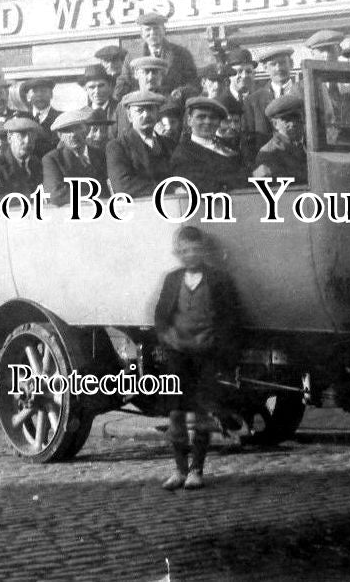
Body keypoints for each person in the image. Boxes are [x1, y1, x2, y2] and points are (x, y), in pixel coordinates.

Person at [153, 225, 239, 491]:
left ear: (203, 251)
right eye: (185, 250)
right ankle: (179, 470)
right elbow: (161, 315)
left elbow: (229, 317)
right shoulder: (172, 280)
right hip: (178, 355)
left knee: (201, 414)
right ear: (178, 252)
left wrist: (218, 347)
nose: (191, 254)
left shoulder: (218, 279)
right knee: (176, 413)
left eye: (196, 249)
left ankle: (196, 471)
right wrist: (167, 340)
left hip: (206, 355)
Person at [169, 97, 247, 193]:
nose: (208, 121)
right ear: (189, 120)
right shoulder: (182, 154)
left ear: (219, 122)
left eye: (213, 117)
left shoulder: (230, 148)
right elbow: (202, 186)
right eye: (201, 117)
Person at [115, 11, 198, 99]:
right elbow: (123, 84)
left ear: (164, 30)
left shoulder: (181, 54)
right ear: (141, 34)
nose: (152, 33)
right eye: (148, 30)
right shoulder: (133, 56)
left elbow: (194, 83)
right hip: (143, 104)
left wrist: (180, 92)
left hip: (172, 105)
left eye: (156, 28)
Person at [106, 90, 171, 197]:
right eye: (140, 111)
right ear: (130, 116)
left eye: (150, 109)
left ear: (157, 114)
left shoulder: (169, 144)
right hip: (140, 209)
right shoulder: (118, 147)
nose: (146, 115)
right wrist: (169, 190)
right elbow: (123, 186)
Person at [41, 109, 108, 206]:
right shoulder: (52, 159)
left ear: (87, 130)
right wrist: (96, 197)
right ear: (60, 136)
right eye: (67, 130)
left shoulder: (101, 155)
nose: (73, 134)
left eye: (78, 128)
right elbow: (56, 194)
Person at [241, 47, 300, 156]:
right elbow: (248, 142)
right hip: (267, 165)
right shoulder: (253, 101)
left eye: (283, 63)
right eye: (273, 64)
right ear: (265, 68)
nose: (278, 68)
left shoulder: (304, 94)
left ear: (291, 64)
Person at [0, 116, 43, 198]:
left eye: (31, 136)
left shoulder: (37, 164)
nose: (27, 141)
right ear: (9, 138)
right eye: (21, 136)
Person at [252, 94, 308, 183]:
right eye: (287, 120)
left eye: (297, 118)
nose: (293, 124)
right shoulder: (268, 153)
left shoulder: (306, 145)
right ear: (275, 124)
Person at [19, 78, 60, 158]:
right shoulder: (22, 119)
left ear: (51, 95)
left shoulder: (60, 118)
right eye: (34, 91)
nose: (39, 95)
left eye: (44, 91)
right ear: (28, 96)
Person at [215, 48, 257, 117]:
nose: (244, 76)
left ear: (254, 74)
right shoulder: (220, 103)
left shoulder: (260, 100)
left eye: (248, 71)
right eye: (239, 71)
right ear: (229, 75)